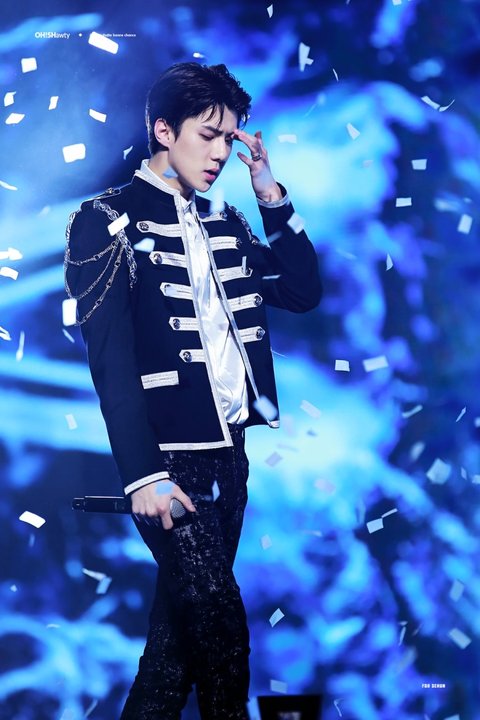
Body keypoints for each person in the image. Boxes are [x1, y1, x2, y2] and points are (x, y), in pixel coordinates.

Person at [65, 62, 322, 720]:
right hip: (168, 466)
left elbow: (301, 291)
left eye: (228, 139)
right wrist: (143, 475)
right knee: (221, 632)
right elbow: (111, 363)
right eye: (208, 135)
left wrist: (270, 194)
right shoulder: (104, 220)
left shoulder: (225, 217)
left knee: (173, 652)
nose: (220, 153)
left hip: (230, 457)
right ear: (162, 130)